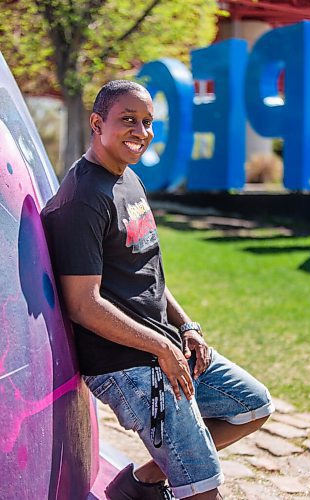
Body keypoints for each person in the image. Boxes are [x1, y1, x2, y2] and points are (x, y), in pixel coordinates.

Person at [41, 80, 274, 500]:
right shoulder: (83, 200)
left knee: (252, 404)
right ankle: (173, 483)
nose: (141, 132)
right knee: (204, 490)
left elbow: (147, 272)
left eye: (147, 122)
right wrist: (161, 349)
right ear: (97, 123)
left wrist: (187, 329)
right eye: (128, 120)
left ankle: (141, 484)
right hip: (126, 365)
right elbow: (82, 305)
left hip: (162, 347)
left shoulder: (127, 179)